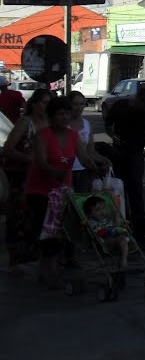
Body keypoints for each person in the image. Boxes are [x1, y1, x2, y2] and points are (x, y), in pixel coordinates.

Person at [102, 86, 145, 252]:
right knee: (119, 192)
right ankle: (123, 229)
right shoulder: (121, 106)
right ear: (138, 99)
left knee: (136, 193)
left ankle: (141, 235)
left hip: (136, 155)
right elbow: (108, 125)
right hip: (119, 152)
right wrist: (113, 137)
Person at [26, 97, 81, 287]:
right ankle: (48, 270)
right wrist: (55, 172)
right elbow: (41, 163)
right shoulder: (42, 135)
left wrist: (98, 164)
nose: (64, 117)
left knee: (60, 231)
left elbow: (85, 156)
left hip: (62, 191)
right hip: (40, 190)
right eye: (60, 114)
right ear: (51, 116)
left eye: (67, 113)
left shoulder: (73, 135)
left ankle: (46, 268)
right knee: (47, 230)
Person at [2, 89, 50, 272]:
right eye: (43, 102)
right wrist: (29, 158)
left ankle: (35, 254)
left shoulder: (50, 124)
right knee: (18, 215)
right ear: (35, 104)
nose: (45, 107)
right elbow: (8, 149)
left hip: (43, 176)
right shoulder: (26, 123)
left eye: (48, 103)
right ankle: (15, 256)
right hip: (22, 176)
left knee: (39, 216)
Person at [68, 90, 108, 193]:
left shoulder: (86, 124)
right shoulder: (63, 124)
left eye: (81, 104)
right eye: (75, 104)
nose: (79, 107)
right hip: (65, 172)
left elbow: (91, 152)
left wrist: (103, 159)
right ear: (69, 105)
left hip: (83, 170)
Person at [83, 194, 130, 270]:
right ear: (90, 214)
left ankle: (124, 259)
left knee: (123, 239)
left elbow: (117, 225)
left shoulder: (108, 218)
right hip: (105, 243)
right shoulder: (92, 222)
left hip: (115, 239)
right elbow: (99, 232)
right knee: (121, 238)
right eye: (97, 210)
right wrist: (111, 230)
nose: (102, 211)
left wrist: (116, 217)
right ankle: (122, 260)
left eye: (103, 208)